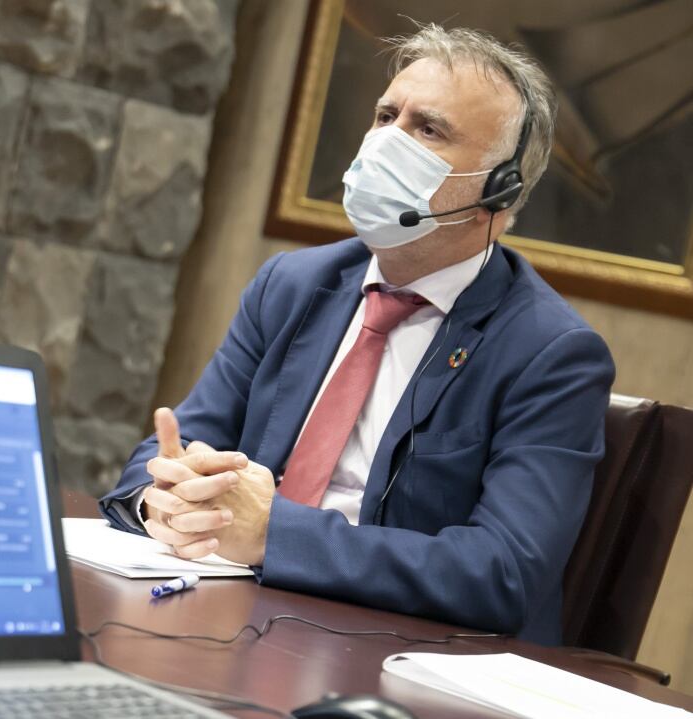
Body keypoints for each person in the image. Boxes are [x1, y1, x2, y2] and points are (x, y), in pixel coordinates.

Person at [99, 24, 614, 645]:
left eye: (428, 130)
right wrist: (165, 500)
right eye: (385, 115)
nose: (384, 144)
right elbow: (179, 446)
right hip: (232, 615)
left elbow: (501, 573)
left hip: (395, 655)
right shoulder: (292, 283)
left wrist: (273, 534)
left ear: (498, 195)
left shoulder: (552, 354)